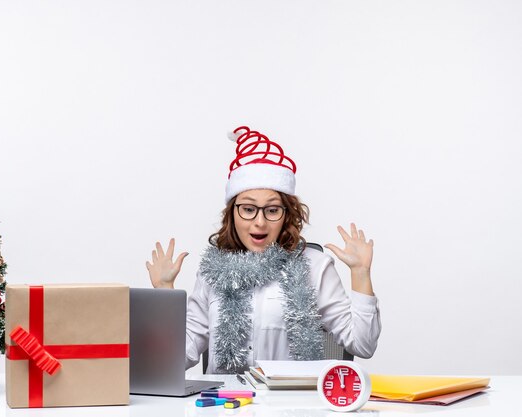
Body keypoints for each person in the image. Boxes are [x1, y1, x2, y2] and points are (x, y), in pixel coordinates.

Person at [146, 126, 381, 374]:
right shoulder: (212, 273)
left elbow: (363, 346)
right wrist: (164, 294)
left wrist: (361, 272)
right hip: (225, 406)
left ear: (286, 215)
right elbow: (177, 357)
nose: (259, 222)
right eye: (248, 209)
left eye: (271, 210)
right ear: (232, 214)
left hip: (292, 404)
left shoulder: (316, 266)